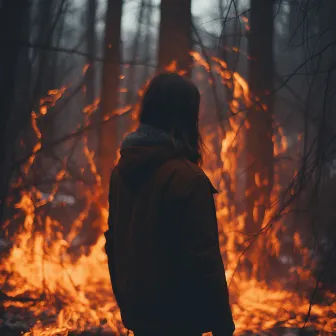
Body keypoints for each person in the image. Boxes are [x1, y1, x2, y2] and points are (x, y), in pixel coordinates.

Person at [104, 73, 235, 336]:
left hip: (140, 318)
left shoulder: (120, 172)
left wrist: (128, 307)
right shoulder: (188, 179)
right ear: (184, 119)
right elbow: (203, 259)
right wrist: (223, 326)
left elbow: (113, 246)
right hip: (179, 323)